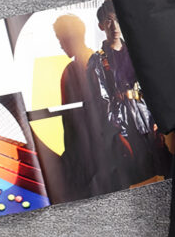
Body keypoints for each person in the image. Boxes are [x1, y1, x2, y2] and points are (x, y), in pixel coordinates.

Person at [86, 0, 170, 188]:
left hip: (146, 115)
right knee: (134, 172)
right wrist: (116, 132)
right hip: (120, 123)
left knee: (161, 164)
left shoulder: (137, 51)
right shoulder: (97, 60)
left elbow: (153, 86)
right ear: (101, 26)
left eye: (117, 19)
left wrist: (158, 118)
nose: (114, 26)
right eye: (109, 20)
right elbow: (101, 99)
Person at [52, 13, 123, 200]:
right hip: (102, 152)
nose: (61, 45)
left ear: (71, 38)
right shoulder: (98, 61)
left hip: (88, 156)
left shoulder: (75, 69)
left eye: (61, 39)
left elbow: (71, 122)